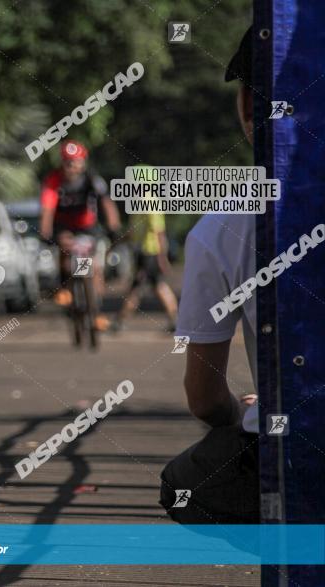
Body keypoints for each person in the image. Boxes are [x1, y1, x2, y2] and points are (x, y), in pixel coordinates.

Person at [159, 27, 260, 524]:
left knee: (181, 485)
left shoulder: (226, 226)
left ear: (247, 108)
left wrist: (256, 409)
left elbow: (204, 398)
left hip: (291, 446)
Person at [39, 140, 121, 330]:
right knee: (64, 253)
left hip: (87, 226)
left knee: (94, 268)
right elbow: (47, 209)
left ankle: (96, 309)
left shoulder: (93, 180)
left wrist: (113, 226)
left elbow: (107, 204)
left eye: (75, 162)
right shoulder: (53, 180)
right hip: (64, 226)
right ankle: (64, 289)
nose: (71, 166)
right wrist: (45, 233)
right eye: (67, 162)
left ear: (83, 162)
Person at [112, 167, 179, 332]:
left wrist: (162, 258)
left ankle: (121, 321)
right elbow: (134, 232)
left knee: (143, 287)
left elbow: (158, 232)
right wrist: (117, 243)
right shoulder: (139, 201)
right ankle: (175, 320)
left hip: (151, 253)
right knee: (151, 287)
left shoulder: (150, 201)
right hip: (143, 253)